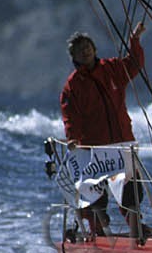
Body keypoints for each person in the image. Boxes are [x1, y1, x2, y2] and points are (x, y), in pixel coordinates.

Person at [60, 20, 147, 236]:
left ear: (94, 49)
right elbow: (70, 116)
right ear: (74, 57)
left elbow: (134, 64)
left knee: (130, 189)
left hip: (121, 142)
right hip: (94, 147)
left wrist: (134, 40)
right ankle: (97, 230)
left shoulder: (112, 68)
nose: (85, 51)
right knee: (96, 193)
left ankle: (137, 229)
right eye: (80, 50)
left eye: (88, 47)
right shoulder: (73, 85)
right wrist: (73, 139)